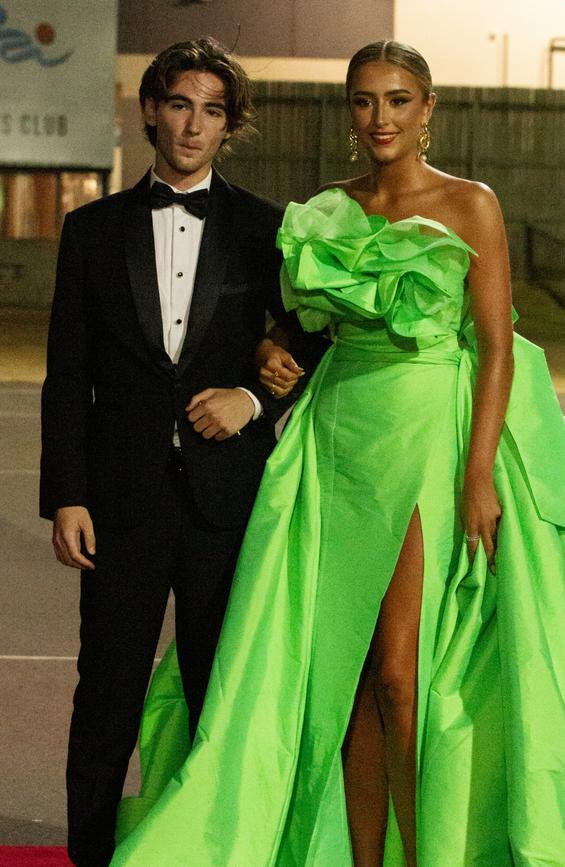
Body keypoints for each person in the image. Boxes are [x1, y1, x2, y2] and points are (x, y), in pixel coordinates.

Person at [110, 42, 565, 866]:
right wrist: (267, 353)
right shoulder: (329, 207)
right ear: (350, 113)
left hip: (429, 438)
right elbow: (297, 330)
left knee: (400, 675)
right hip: (336, 444)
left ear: (428, 108)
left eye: (398, 100)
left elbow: (498, 348)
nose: (380, 118)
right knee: (350, 675)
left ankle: (420, 852)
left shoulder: (472, 205)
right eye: (364, 102)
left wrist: (477, 474)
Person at [40, 38, 313, 867]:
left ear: (231, 125)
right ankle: (89, 853)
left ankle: (212, 850)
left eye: (214, 110)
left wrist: (256, 396)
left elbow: (313, 331)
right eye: (181, 104)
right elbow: (67, 375)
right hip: (119, 507)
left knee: (216, 696)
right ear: (152, 109)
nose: (194, 126)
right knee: (108, 700)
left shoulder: (267, 228)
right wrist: (68, 497)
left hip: (224, 506)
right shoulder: (90, 230)